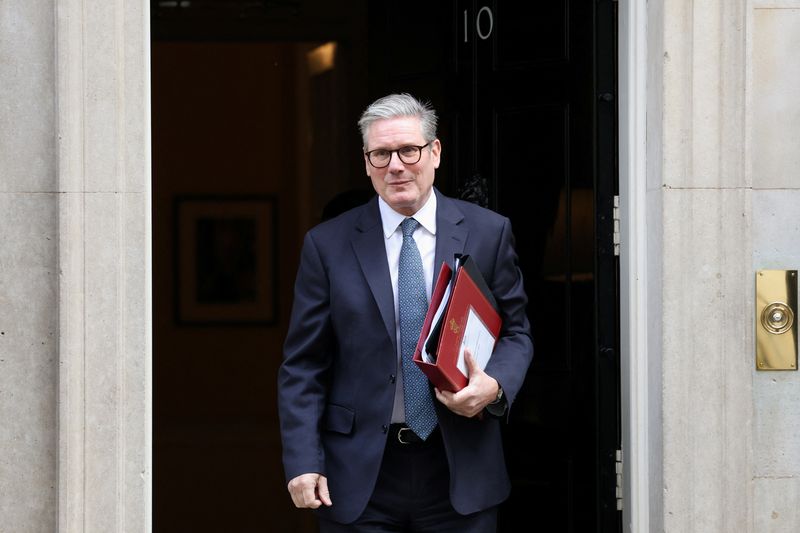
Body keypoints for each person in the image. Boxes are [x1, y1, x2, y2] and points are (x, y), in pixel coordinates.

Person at [278, 93, 533, 532]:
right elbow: (303, 365)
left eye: (408, 150)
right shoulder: (328, 244)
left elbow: (516, 332)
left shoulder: (488, 233)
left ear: (434, 152)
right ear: (366, 162)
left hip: (460, 469)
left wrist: (494, 386)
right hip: (358, 476)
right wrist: (302, 460)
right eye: (380, 154)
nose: (395, 165)